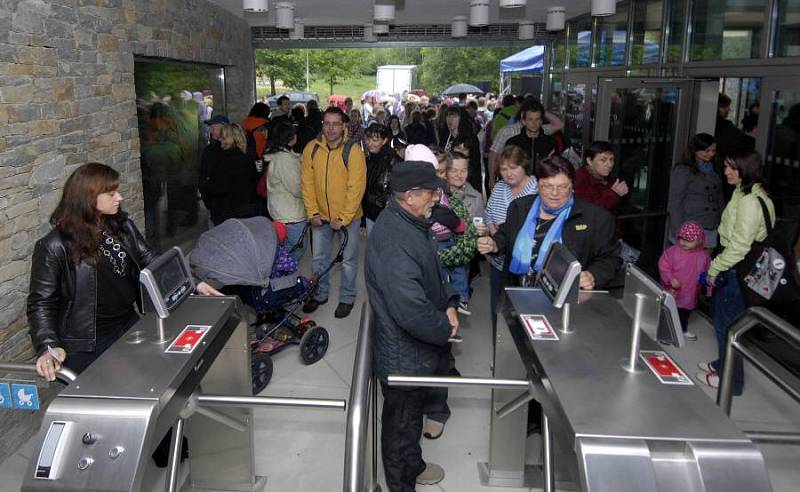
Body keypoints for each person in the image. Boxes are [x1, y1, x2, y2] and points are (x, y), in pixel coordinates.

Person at [28, 163, 221, 381]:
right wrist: (47, 346)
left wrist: (193, 282)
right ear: (88, 198)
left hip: (128, 323)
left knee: (142, 382)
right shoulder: (54, 245)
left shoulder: (120, 225)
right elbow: (41, 302)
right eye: (111, 193)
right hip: (89, 342)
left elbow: (150, 259)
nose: (119, 197)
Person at [366, 161, 459, 491]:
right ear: (410, 195)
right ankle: (401, 483)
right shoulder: (394, 239)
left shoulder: (412, 222)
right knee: (401, 424)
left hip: (414, 350)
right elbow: (411, 311)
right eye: (432, 191)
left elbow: (429, 272)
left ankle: (414, 465)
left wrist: (448, 301)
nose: (437, 196)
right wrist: (445, 329)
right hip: (403, 355)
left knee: (409, 418)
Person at [477, 155, 621, 291]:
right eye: (547, 186)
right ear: (538, 185)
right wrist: (494, 244)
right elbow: (506, 234)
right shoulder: (519, 207)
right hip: (517, 293)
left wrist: (593, 275)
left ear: (572, 187)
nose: (554, 193)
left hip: (567, 301)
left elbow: (611, 258)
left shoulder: (595, 218)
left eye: (562, 186)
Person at [697, 150, 775, 393]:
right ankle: (723, 365)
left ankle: (733, 381)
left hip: (736, 270)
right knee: (724, 323)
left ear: (747, 169)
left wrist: (714, 267)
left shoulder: (751, 202)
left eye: (733, 168)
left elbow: (740, 246)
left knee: (728, 327)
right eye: (726, 166)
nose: (726, 172)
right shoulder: (744, 192)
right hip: (732, 267)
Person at [301, 107, 367, 319]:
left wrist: (343, 217)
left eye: (335, 124)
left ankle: (347, 298)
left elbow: (356, 188)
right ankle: (320, 293)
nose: (330, 128)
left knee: (348, 261)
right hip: (319, 217)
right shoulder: (311, 148)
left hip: (348, 219)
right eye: (327, 123)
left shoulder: (353, 151)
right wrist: (312, 212)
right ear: (322, 124)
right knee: (319, 259)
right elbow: (307, 184)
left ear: (344, 126)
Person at [477, 146, 539, 322]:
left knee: (527, 310)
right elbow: (488, 215)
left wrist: (507, 234)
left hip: (528, 264)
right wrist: (495, 233)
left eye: (513, 168)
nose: (508, 173)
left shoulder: (538, 189)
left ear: (524, 166)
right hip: (499, 261)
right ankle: (499, 340)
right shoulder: (499, 188)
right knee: (498, 304)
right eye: (504, 169)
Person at [658, 221, 712, 341]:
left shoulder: (704, 256)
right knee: (668, 311)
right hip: (673, 290)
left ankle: (682, 330)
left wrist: (709, 289)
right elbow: (663, 265)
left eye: (689, 240)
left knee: (684, 313)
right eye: (682, 238)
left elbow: (709, 273)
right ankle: (665, 333)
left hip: (690, 292)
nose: (683, 242)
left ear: (699, 240)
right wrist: (670, 279)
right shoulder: (673, 252)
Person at [667, 133, 724, 248]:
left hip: (710, 226)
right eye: (707, 151)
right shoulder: (683, 170)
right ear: (695, 150)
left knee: (704, 263)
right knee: (687, 263)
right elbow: (675, 203)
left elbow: (719, 198)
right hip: (689, 227)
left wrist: (720, 221)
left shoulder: (715, 169)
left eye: (713, 151)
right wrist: (680, 233)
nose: (711, 154)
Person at [266, 122, 306, 262]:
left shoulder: (280, 155)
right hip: (290, 214)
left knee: (286, 246)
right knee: (297, 246)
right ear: (290, 137)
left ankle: (280, 273)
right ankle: (281, 275)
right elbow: (297, 188)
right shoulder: (284, 160)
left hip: (282, 210)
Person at [207, 124, 260, 225]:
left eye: (223, 136)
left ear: (228, 138)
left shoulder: (223, 159)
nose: (220, 139)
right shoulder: (250, 156)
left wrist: (209, 183)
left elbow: (218, 188)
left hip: (227, 213)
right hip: (247, 210)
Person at [574, 140, 628, 237]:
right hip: (591, 240)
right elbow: (590, 213)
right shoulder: (580, 180)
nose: (609, 164)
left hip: (608, 236)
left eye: (611, 160)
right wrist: (614, 194)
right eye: (603, 160)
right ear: (589, 161)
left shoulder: (603, 177)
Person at [362, 124, 397, 236]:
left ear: (384, 140)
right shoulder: (367, 160)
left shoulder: (393, 161)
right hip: (370, 214)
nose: (369, 143)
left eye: (375, 140)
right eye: (368, 139)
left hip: (388, 215)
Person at [506, 100, 556, 174]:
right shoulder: (513, 143)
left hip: (542, 184)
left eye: (537, 119)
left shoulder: (549, 142)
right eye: (530, 119)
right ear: (524, 121)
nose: (534, 123)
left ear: (541, 121)